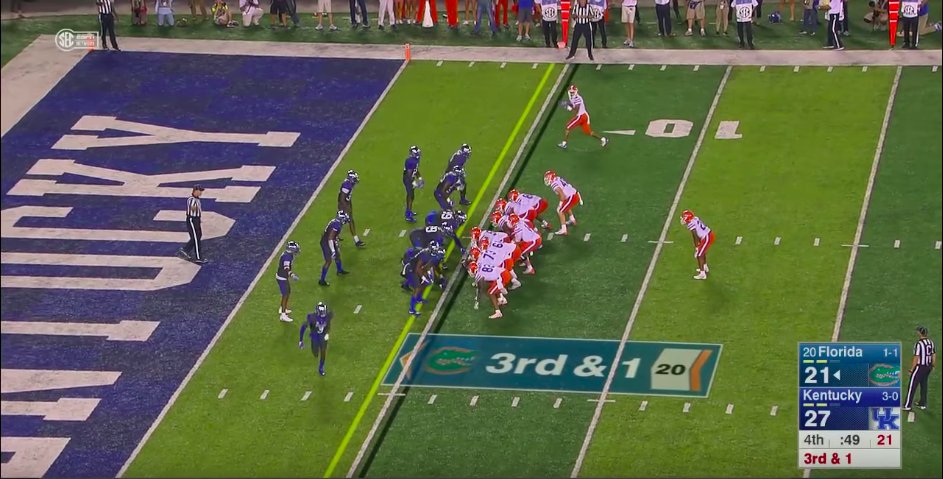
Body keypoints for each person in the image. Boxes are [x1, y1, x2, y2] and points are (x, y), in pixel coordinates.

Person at [558, 85, 608, 149]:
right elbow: (573, 103)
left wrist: (568, 107)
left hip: (580, 117)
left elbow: (576, 109)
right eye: (571, 92)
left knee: (567, 127)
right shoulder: (574, 97)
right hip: (584, 116)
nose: (571, 93)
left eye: (572, 92)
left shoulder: (577, 98)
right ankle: (603, 139)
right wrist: (568, 103)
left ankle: (564, 144)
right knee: (588, 132)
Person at [903, 326, 935, 411]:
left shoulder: (919, 344)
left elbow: (916, 357)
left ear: (920, 333)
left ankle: (907, 405)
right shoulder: (930, 342)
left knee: (912, 385)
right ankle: (922, 403)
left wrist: (911, 369)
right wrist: (933, 365)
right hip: (928, 366)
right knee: (924, 384)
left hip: (920, 367)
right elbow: (933, 354)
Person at [543, 170, 582, 236]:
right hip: (574, 194)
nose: (546, 179)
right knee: (565, 205)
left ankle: (564, 230)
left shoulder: (554, 184)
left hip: (572, 197)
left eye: (547, 178)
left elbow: (562, 196)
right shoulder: (557, 178)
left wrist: (560, 204)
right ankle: (572, 220)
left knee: (560, 211)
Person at [298, 302, 332, 377]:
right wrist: (301, 340)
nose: (323, 314)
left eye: (324, 312)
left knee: (323, 351)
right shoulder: (312, 318)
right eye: (322, 312)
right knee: (315, 353)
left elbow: (328, 325)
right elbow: (303, 327)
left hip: (323, 336)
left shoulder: (328, 316)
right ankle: (315, 352)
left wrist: (327, 333)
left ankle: (321, 368)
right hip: (315, 336)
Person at [680, 209, 714, 280]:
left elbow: (695, 236)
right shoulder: (695, 219)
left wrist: (697, 247)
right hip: (708, 235)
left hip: (707, 237)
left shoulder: (691, 224)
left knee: (699, 255)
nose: (682, 219)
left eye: (683, 217)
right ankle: (704, 267)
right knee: (701, 252)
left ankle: (702, 274)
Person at [177, 185, 208, 264]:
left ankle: (185, 250)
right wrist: (196, 218)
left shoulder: (196, 199)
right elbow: (192, 211)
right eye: (200, 191)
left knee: (198, 236)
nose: (201, 193)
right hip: (192, 220)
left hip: (196, 219)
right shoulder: (192, 199)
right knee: (196, 238)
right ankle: (198, 257)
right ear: (196, 190)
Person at [319, 211, 350, 286]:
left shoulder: (336, 222)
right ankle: (322, 280)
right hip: (326, 242)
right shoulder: (337, 225)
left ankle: (339, 270)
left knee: (338, 255)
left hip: (330, 240)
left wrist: (336, 239)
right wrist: (333, 250)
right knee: (328, 261)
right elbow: (330, 238)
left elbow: (332, 235)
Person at [275, 241, 300, 322]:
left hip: (282, 276)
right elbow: (286, 268)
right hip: (282, 278)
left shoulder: (288, 254)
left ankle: (282, 308)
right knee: (285, 294)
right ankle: (283, 315)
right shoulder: (287, 257)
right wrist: (292, 275)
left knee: (287, 292)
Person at [403, 145, 423, 223]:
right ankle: (408, 215)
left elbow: (415, 170)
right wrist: (414, 183)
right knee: (410, 195)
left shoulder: (415, 160)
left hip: (410, 178)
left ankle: (409, 211)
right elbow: (409, 174)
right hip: (408, 179)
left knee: (411, 196)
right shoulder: (410, 161)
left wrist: (419, 178)